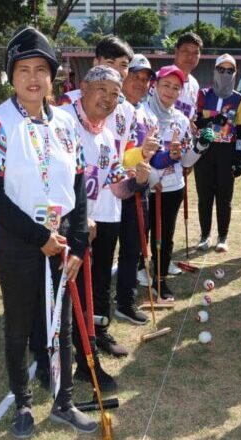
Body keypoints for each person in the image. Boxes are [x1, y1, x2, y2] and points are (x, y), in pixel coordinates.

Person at [0, 26, 95, 438]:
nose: (32, 77)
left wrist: (77, 243)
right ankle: (23, 404)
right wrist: (37, 238)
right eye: (23, 69)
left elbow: (77, 185)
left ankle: (64, 402)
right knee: (20, 325)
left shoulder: (67, 122)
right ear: (11, 75)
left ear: (52, 76)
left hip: (61, 241)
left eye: (40, 69)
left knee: (61, 323)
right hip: (18, 242)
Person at [60, 66, 151, 389]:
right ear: (83, 88)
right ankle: (61, 361)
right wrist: (75, 216)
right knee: (64, 297)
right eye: (102, 89)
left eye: (115, 94)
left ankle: (87, 359)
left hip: (94, 223)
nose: (109, 99)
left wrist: (138, 182)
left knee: (90, 293)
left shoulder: (107, 136)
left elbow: (117, 187)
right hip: (62, 226)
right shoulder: (63, 123)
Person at [56, 36, 137, 356]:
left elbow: (120, 167)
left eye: (123, 67)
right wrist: (76, 215)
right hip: (71, 213)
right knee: (65, 278)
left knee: (101, 275)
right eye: (109, 64)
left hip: (107, 206)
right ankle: (59, 340)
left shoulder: (123, 110)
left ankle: (96, 332)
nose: (116, 73)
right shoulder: (65, 108)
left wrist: (139, 177)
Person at [145, 65, 213, 300]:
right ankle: (137, 273)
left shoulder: (181, 120)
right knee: (139, 235)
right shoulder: (141, 113)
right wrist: (152, 178)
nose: (170, 91)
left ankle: (160, 280)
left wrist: (200, 147)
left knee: (164, 237)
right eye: (166, 85)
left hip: (172, 188)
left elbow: (185, 161)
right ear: (155, 85)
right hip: (146, 186)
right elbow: (136, 153)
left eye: (176, 88)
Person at [114, 54, 163, 324]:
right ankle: (96, 304)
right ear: (124, 77)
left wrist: (171, 156)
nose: (141, 83)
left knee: (133, 247)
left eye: (146, 79)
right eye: (136, 76)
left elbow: (155, 157)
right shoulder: (113, 107)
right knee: (102, 248)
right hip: (112, 187)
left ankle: (125, 301)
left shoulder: (148, 114)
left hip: (139, 187)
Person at [193, 53, 241, 252]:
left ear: (235, 73)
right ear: (215, 70)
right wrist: (212, 120)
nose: (225, 73)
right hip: (204, 150)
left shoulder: (239, 99)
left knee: (224, 197)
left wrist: (238, 158)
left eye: (230, 70)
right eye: (221, 69)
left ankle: (222, 236)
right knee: (204, 196)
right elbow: (196, 122)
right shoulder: (203, 94)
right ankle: (204, 235)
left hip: (226, 152)